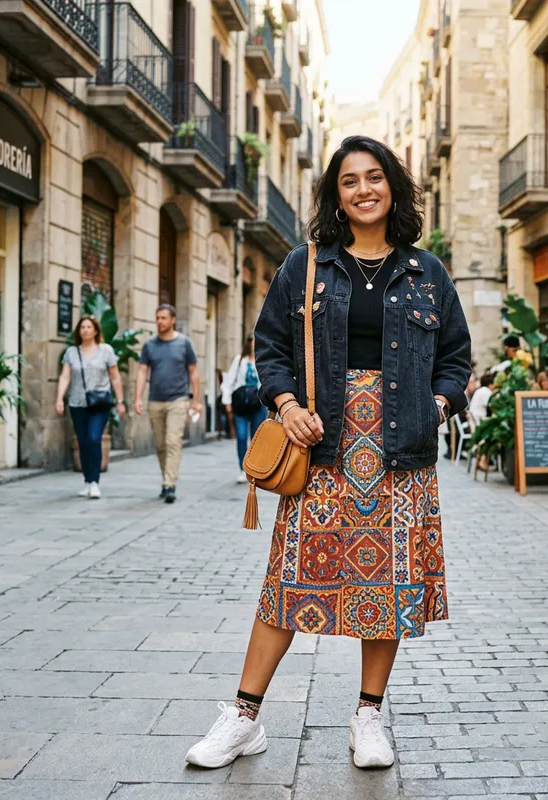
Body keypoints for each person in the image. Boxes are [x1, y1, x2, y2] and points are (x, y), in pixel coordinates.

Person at [184, 135, 471, 772]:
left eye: (375, 177)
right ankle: (243, 718)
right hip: (321, 445)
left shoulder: (428, 273)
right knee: (288, 581)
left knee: (388, 585)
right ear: (335, 195)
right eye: (350, 180)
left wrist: (439, 407)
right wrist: (286, 406)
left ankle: (368, 716)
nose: (364, 189)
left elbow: (455, 357)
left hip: (401, 452)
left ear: (393, 186)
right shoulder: (305, 265)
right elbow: (272, 346)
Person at [134, 304, 200, 504]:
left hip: (178, 401)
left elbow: (194, 372)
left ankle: (170, 485)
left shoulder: (184, 343)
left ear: (173, 320)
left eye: (163, 318)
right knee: (161, 445)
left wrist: (196, 401)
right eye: (157, 318)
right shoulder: (149, 345)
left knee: (173, 442)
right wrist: (138, 397)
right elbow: (142, 371)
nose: (159, 321)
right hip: (155, 401)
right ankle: (166, 479)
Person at [55, 315, 126, 499]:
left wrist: (120, 401)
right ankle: (87, 481)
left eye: (88, 327)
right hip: (77, 403)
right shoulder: (71, 352)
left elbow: (115, 377)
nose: (85, 330)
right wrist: (59, 398)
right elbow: (65, 376)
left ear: (95, 330)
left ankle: (94, 482)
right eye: (82, 327)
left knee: (95, 439)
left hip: (99, 403)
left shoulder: (106, 351)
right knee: (84, 442)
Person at [223, 335, 267, 484]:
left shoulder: (265, 359)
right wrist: (227, 401)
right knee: (241, 436)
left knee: (256, 438)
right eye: (253, 342)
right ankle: (242, 469)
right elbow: (229, 381)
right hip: (241, 403)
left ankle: (253, 469)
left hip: (259, 404)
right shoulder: (239, 360)